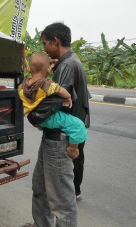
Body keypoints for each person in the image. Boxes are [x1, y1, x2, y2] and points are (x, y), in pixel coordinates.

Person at [21, 51, 87, 227]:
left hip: (58, 142)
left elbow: (36, 111)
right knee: (40, 187)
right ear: (49, 69)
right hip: (51, 137)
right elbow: (61, 91)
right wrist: (67, 97)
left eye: (46, 43)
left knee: (62, 200)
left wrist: (35, 118)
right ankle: (42, 224)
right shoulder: (54, 77)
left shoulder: (25, 85)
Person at [41, 23, 90, 202]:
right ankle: (75, 191)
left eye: (46, 43)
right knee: (75, 162)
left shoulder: (66, 66)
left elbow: (54, 99)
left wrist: (34, 116)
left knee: (59, 187)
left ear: (55, 41)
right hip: (76, 123)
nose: (45, 49)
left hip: (65, 130)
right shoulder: (72, 60)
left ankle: (70, 197)